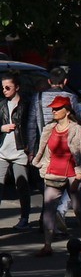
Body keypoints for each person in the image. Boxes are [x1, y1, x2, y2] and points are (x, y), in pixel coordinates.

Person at [31, 95, 81, 257]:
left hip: (73, 174)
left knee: (79, 209)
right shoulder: (49, 129)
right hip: (53, 174)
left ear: (67, 110)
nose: (54, 111)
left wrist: (78, 177)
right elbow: (45, 151)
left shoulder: (76, 129)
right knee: (49, 210)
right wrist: (43, 167)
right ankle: (47, 245)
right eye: (53, 108)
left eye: (57, 108)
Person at [1, 72, 35, 230]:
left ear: (17, 88)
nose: (4, 90)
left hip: (20, 150)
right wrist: (2, 127)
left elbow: (31, 127)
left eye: (8, 87)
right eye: (2, 87)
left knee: (22, 186)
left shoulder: (26, 104)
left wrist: (30, 148)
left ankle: (24, 218)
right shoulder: (1, 104)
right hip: (2, 151)